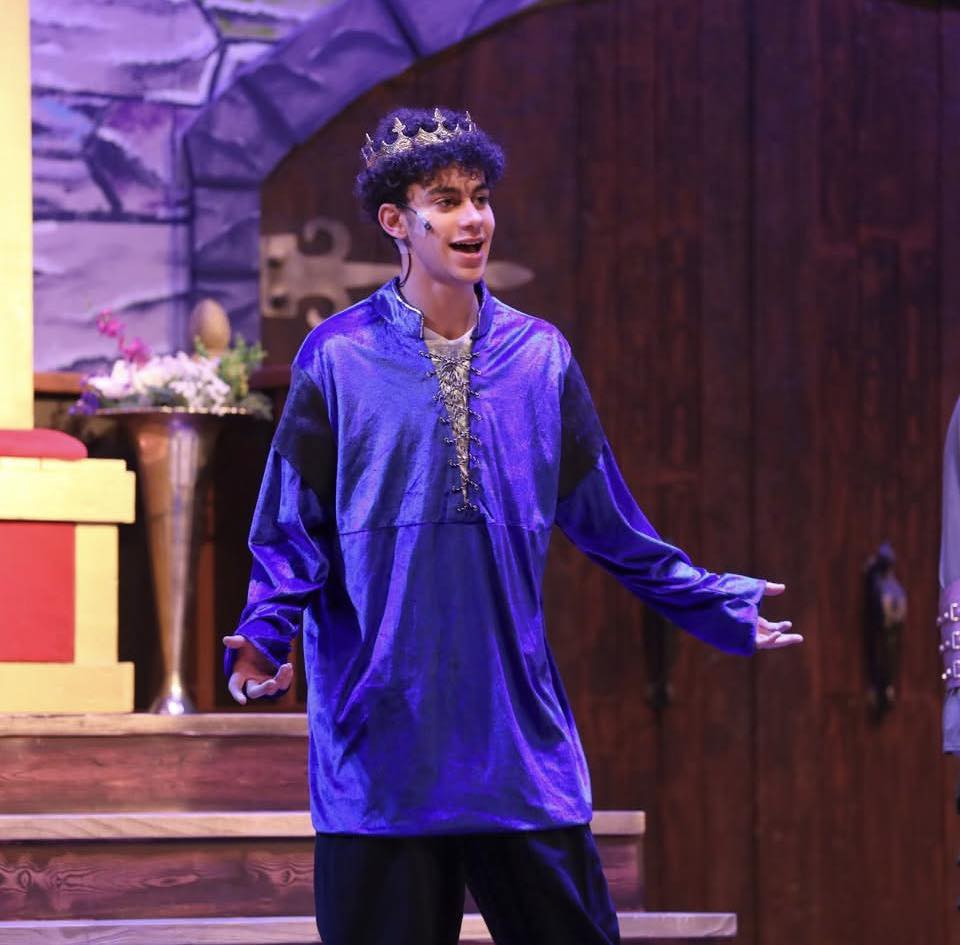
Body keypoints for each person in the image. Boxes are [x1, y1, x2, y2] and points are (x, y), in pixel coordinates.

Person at [223, 107, 802, 945]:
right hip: (381, 746)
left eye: (481, 197)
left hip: (514, 742)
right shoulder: (337, 358)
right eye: (446, 200)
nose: (473, 219)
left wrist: (710, 599)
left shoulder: (540, 358)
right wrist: (262, 636)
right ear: (396, 221)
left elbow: (611, 523)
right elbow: (291, 527)